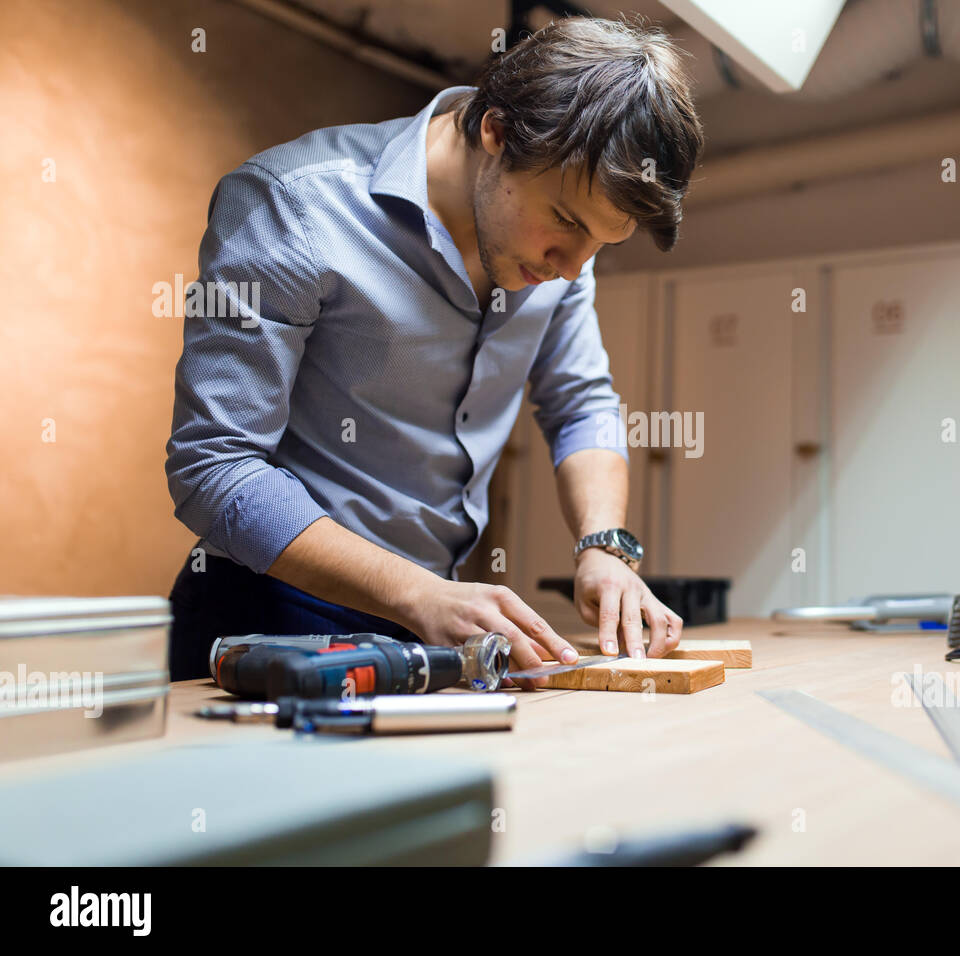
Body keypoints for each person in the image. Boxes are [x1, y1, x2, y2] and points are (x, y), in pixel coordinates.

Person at [164, 17, 704, 685]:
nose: (572, 267)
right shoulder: (294, 206)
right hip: (267, 616)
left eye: (600, 243)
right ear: (495, 132)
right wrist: (416, 593)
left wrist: (604, 548)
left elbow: (580, 406)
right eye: (565, 222)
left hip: (433, 619)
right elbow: (214, 467)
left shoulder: (559, 257)